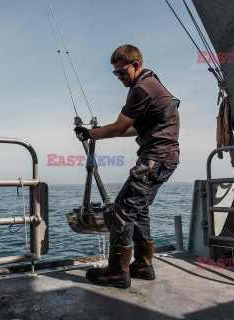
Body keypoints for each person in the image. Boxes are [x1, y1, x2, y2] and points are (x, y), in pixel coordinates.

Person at [75, 44, 180, 289]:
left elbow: (118, 127)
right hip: (166, 159)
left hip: (154, 159)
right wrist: (97, 134)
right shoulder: (151, 84)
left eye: (121, 72)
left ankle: (116, 272)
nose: (119, 77)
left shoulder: (141, 89)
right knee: (138, 208)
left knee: (122, 208)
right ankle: (143, 264)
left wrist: (90, 133)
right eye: (115, 74)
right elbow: (133, 129)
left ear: (135, 65)